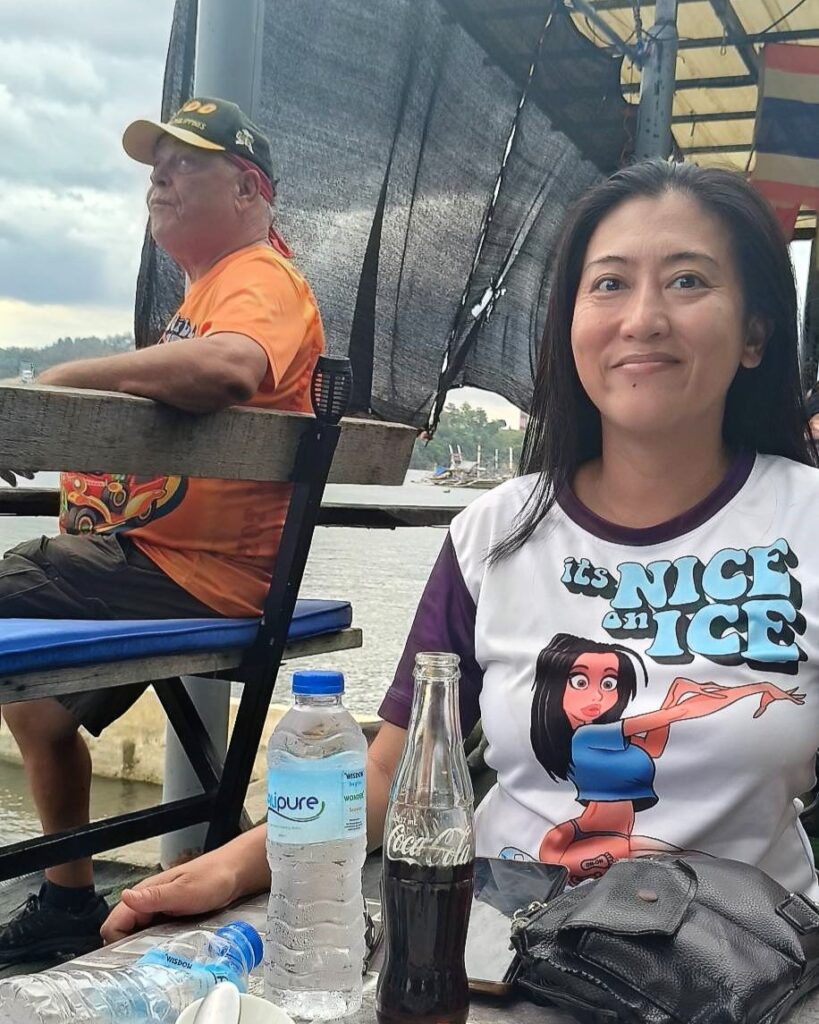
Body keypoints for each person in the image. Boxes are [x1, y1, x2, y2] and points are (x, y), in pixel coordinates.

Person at [102, 158, 819, 943]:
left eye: (686, 281)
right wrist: (236, 865)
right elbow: (393, 771)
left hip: (740, 967)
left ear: (754, 334)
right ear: (570, 327)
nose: (642, 319)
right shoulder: (493, 532)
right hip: (508, 947)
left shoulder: (805, 519)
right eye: (609, 284)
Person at [0, 96, 324, 961]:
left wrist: (59, 383)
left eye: (185, 164)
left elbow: (232, 367)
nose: (159, 180)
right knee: (36, 711)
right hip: (161, 563)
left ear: (248, 189)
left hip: (185, 571)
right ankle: (68, 899)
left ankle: (83, 892)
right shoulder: (208, 292)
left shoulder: (258, 277)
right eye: (156, 167)